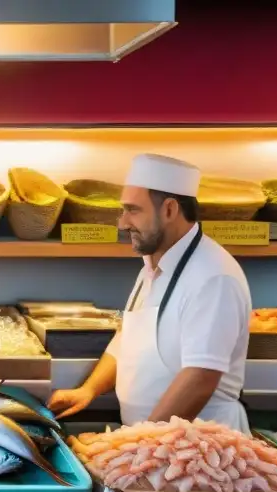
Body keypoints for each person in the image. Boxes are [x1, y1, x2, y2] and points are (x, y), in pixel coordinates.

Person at [48, 153, 252, 433]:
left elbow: (200, 378)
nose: (122, 223)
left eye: (133, 210)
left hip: (200, 447)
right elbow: (129, 339)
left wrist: (136, 446)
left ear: (169, 209)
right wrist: (88, 390)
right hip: (153, 444)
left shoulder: (214, 277)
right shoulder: (152, 265)